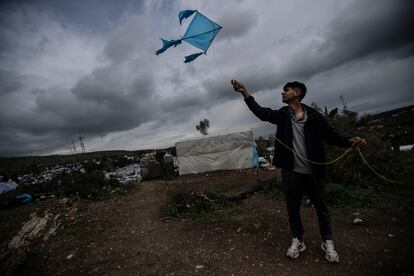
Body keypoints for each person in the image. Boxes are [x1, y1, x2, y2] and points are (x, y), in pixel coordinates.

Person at [231, 79, 366, 263]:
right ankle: (298, 239)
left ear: (297, 93)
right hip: (291, 172)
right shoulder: (282, 115)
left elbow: (332, 135)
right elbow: (261, 112)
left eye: (286, 90)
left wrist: (350, 140)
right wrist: (245, 93)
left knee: (322, 208)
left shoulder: (315, 117)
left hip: (313, 172)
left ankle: (327, 241)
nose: (282, 93)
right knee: (293, 208)